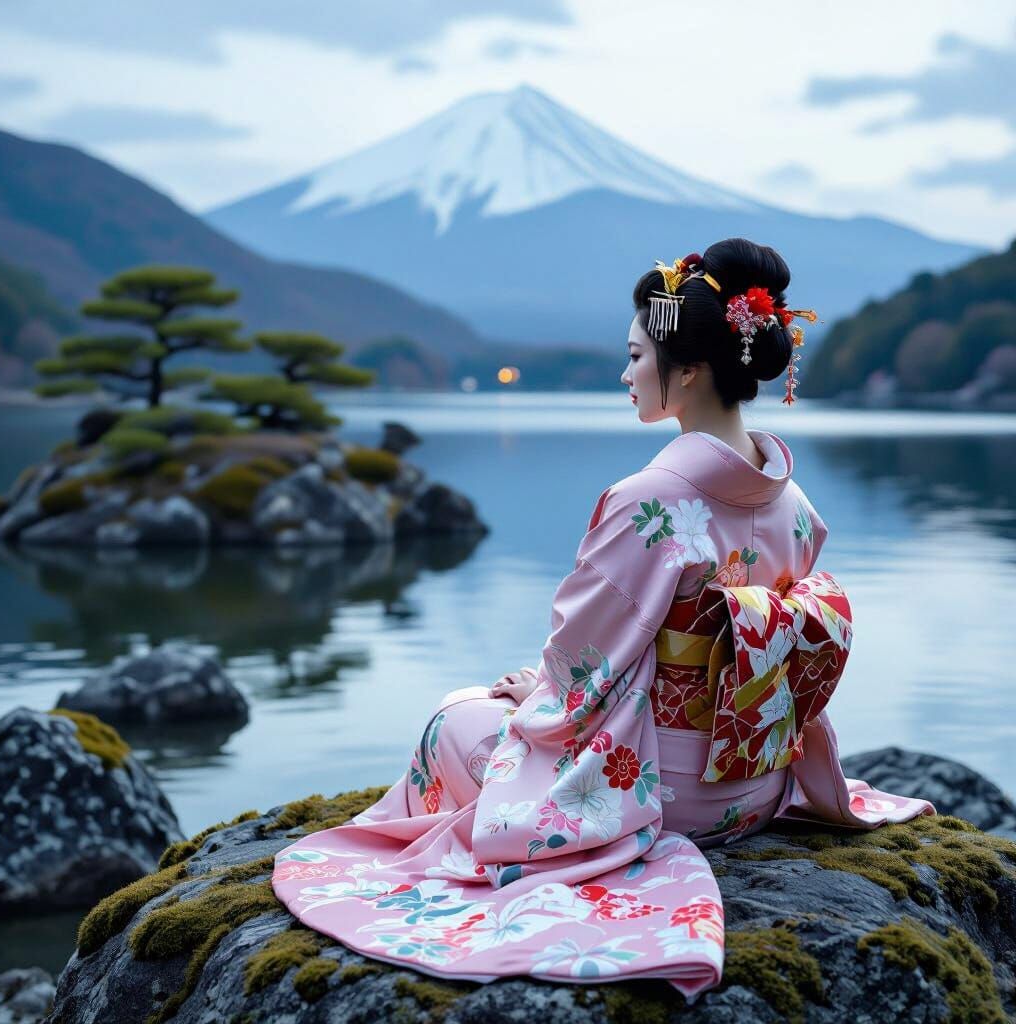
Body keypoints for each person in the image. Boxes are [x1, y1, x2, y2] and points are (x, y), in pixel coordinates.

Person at [271, 238, 936, 1000]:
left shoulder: (649, 505)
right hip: (756, 790)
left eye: (635, 357)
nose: (625, 375)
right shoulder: (798, 508)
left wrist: (537, 699)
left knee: (453, 720)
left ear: (686, 371)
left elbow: (581, 668)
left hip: (655, 796)